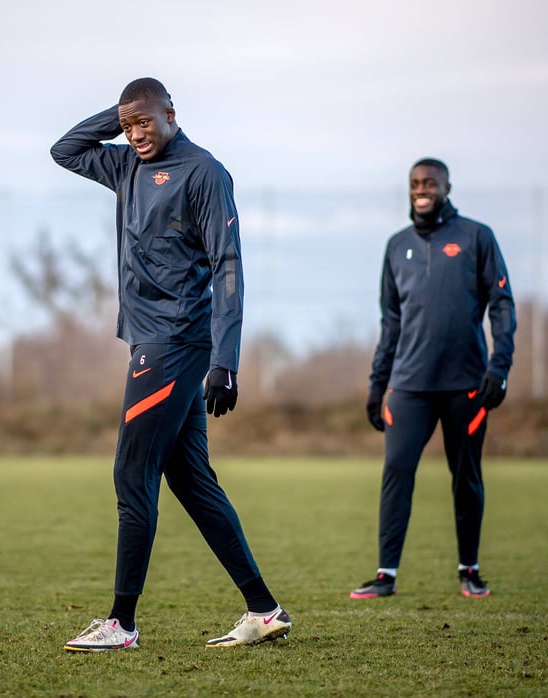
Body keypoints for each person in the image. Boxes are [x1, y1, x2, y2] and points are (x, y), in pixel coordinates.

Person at [50, 77, 291, 651]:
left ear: (172, 115)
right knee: (190, 480)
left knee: (132, 474)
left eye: (145, 122)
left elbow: (228, 266)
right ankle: (264, 609)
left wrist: (225, 360)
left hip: (176, 344)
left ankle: (121, 624)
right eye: (127, 124)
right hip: (147, 341)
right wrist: (120, 113)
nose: (135, 134)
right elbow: (65, 150)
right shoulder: (125, 165)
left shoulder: (205, 173)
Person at [351, 158, 516, 600]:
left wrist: (499, 367)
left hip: (467, 384)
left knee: (466, 477)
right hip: (408, 387)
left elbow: (502, 304)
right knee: (396, 472)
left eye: (430, 183)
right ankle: (385, 575)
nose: (422, 189)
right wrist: (376, 383)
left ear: (446, 187)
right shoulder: (396, 246)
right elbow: (390, 322)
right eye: (415, 183)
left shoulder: (476, 237)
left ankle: (470, 570)